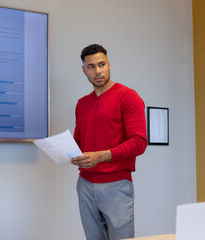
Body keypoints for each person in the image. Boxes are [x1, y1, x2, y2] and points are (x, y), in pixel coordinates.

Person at [71, 44, 147, 240]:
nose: (97, 71)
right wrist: (68, 153)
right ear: (84, 70)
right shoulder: (82, 104)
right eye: (91, 67)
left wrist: (101, 156)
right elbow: (79, 141)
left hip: (116, 186)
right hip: (85, 185)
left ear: (109, 65)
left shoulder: (128, 97)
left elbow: (139, 142)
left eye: (101, 64)